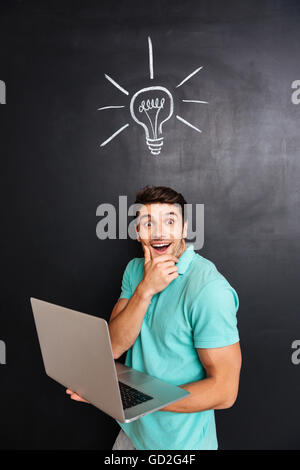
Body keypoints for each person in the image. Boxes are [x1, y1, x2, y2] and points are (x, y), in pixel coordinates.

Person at [66, 185, 242, 450]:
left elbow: (225, 391)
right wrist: (146, 288)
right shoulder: (135, 270)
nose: (158, 233)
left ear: (184, 229)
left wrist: (138, 400)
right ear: (138, 233)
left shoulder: (210, 290)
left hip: (179, 444)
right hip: (132, 433)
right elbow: (113, 347)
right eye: (148, 223)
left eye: (169, 221)